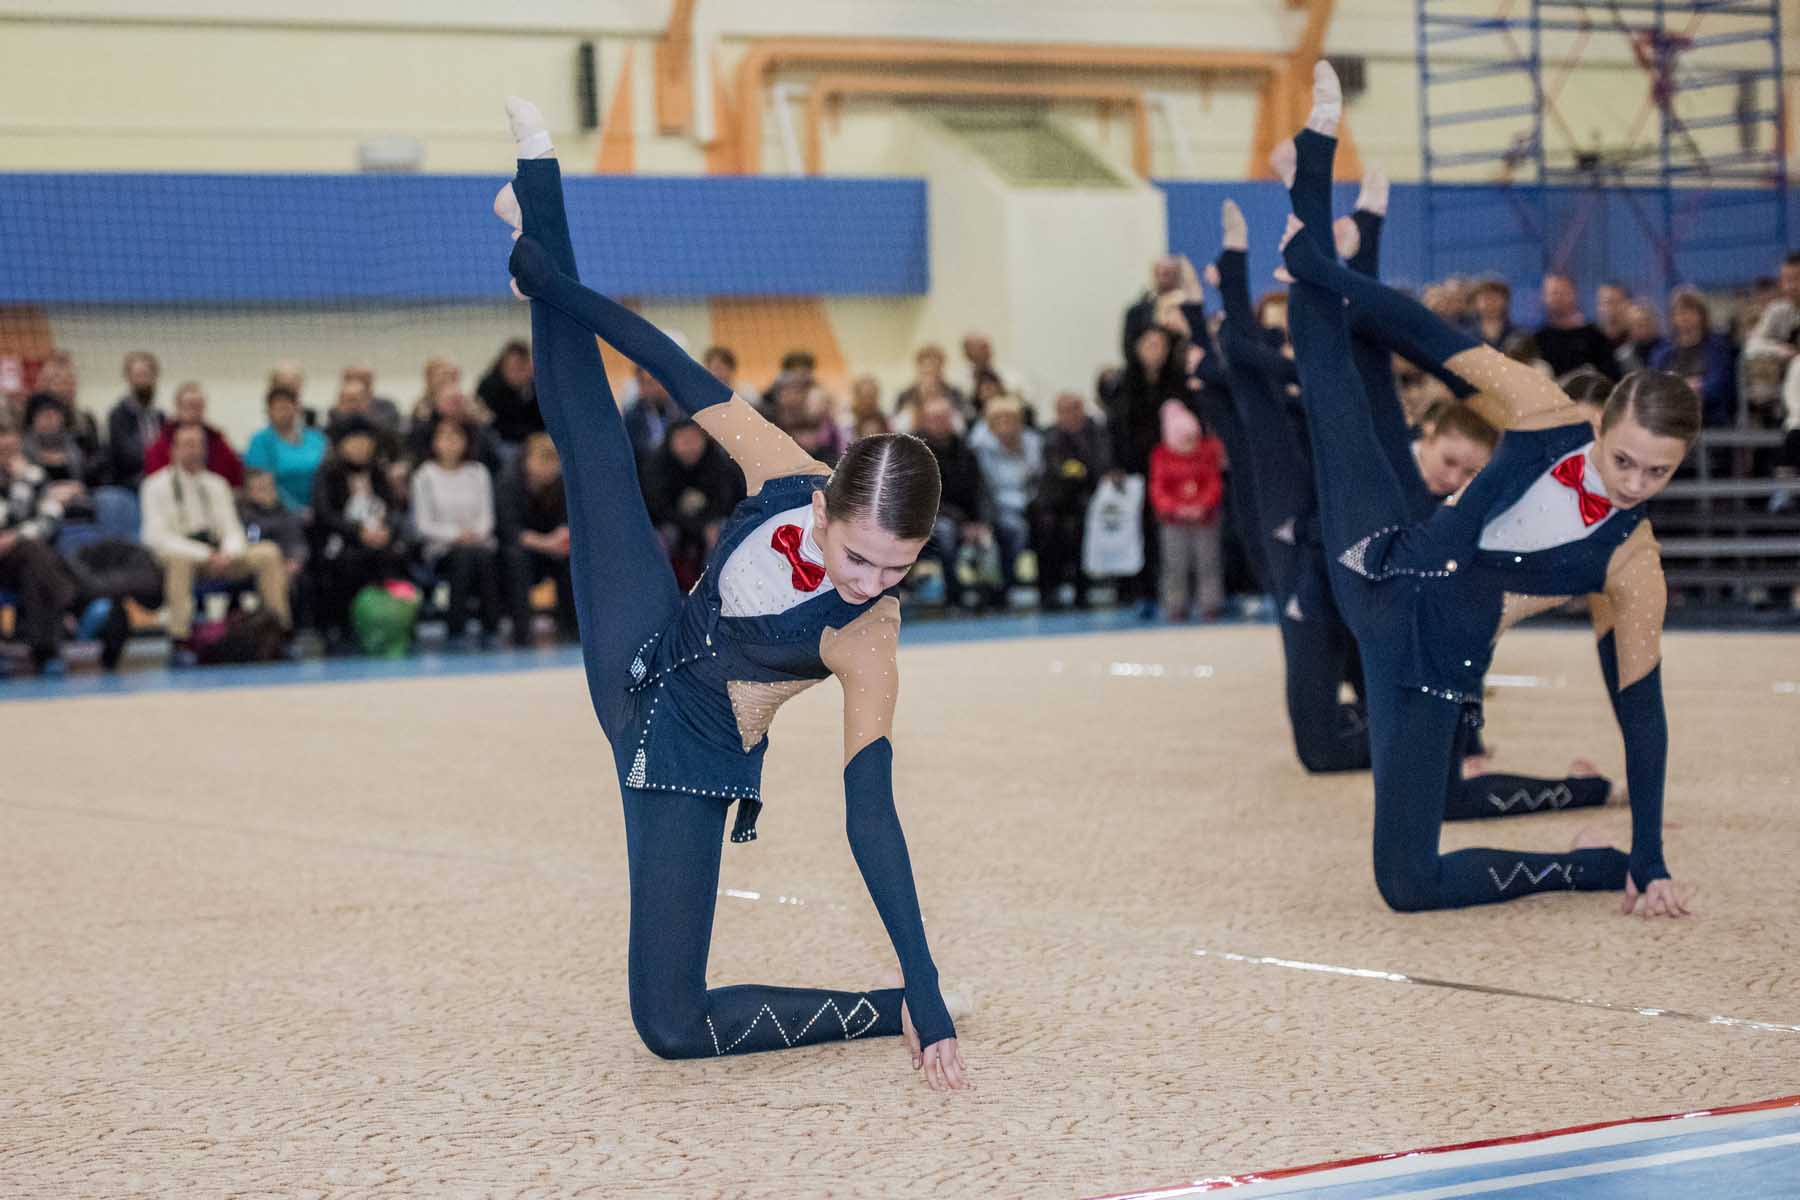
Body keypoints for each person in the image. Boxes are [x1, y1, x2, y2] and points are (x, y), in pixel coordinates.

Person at [496, 98, 966, 1082]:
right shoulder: (786, 468)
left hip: (691, 757)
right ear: (829, 504)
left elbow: (870, 814)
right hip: (642, 648)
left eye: (897, 567)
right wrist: (555, 286)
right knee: (593, 453)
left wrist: (919, 988)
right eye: (859, 554)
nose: (872, 582)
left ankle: (879, 1013)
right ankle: (541, 184)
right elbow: (664, 363)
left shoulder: (865, 639)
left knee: (669, 1025)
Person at [1272, 63, 1695, 914]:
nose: (1635, 484)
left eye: (1659, 473)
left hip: (1432, 664)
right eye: (1626, 462)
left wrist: (1648, 855)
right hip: (1378, 561)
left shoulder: (1633, 563)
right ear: (1600, 424)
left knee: (1408, 884)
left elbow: (1641, 717)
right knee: (1331, 380)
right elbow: (1419, 331)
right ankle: (1315, 163)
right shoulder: (1543, 412)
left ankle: (1596, 864)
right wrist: (1322, 271)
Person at [140, 423, 291, 658]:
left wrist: (228, 553)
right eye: (188, 445)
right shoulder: (155, 486)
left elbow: (232, 529)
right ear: (174, 450)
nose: (194, 451)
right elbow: (156, 537)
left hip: (223, 557)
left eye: (199, 445)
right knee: (178, 560)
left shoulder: (217, 484)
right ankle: (180, 639)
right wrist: (205, 554)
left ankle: (278, 633)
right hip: (186, 557)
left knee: (268, 552)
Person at [310, 415, 410, 648]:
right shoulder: (328, 473)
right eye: (354, 442)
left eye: (365, 442)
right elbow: (325, 514)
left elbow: (394, 509)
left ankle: (393, 623)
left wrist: (387, 530)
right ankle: (345, 626)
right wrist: (358, 532)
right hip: (344, 540)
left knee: (395, 557)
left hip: (379, 538)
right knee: (349, 563)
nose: (360, 447)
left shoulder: (378, 473)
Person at [410, 418, 502, 645]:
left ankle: (492, 627)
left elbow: (487, 518)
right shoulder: (424, 475)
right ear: (434, 442)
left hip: (478, 542)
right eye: (443, 437)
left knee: (482, 558)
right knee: (463, 558)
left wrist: (474, 535)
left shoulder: (478, 472)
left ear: (465, 441)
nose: (450, 442)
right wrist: (456, 535)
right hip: (440, 549)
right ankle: (456, 629)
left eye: (455, 436)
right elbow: (423, 524)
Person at [0, 414, 79, 674]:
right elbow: (6, 516)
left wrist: (17, 536)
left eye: (12, 449)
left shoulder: (34, 475)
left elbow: (50, 517)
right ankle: (70, 604)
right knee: (37, 555)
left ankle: (43, 649)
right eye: (2, 450)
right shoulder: (26, 479)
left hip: (22, 556)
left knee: (34, 560)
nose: (7, 455)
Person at [642, 419, 743, 591]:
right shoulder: (657, 466)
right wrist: (696, 526)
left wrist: (708, 525)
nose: (690, 447)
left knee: (722, 535)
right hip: (671, 525)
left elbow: (725, 500)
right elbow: (658, 507)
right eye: (684, 441)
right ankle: (662, 589)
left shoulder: (718, 463)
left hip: (709, 523)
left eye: (695, 440)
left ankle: (715, 589)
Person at [497, 432, 578, 645]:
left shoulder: (562, 484)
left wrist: (563, 534)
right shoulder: (508, 483)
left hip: (552, 550)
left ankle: (573, 628)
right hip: (519, 551)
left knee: (573, 558)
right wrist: (548, 543)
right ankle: (522, 631)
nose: (549, 467)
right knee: (516, 558)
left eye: (553, 461)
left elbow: (570, 521)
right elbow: (510, 531)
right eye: (543, 460)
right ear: (527, 460)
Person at [1148, 400, 1224, 621]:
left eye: (1193, 439)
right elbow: (1158, 487)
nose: (1190, 445)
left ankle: (1210, 603)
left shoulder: (1206, 451)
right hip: (1173, 521)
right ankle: (1175, 605)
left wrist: (1202, 505)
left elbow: (1213, 482)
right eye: (1185, 441)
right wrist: (1175, 508)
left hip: (1204, 518)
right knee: (1174, 566)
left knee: (1208, 563)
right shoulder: (1161, 455)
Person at [1034, 392, 1110, 610]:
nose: (1070, 415)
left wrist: (1080, 474)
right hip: (1055, 501)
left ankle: (1082, 592)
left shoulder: (1097, 433)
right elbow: (1055, 471)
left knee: (1080, 528)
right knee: (1047, 528)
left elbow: (1097, 466)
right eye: (1064, 411)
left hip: (1088, 498)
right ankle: (1049, 592)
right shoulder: (1050, 436)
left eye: (1075, 409)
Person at [967, 394, 1041, 608]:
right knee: (1013, 530)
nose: (1005, 424)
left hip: (1030, 502)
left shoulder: (1032, 442)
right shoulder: (979, 446)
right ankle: (1003, 586)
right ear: (989, 423)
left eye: (1010, 418)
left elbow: (1039, 476)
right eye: (999, 419)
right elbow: (980, 487)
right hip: (995, 506)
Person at [1650, 288, 1738, 429]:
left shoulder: (1718, 348)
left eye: (1690, 311)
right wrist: (1690, 386)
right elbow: (1655, 388)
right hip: (1670, 422)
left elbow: (1716, 387)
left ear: (1702, 315)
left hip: (1710, 421)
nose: (1684, 317)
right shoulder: (1662, 353)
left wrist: (1677, 387)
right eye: (1679, 313)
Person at [244, 384, 330, 512]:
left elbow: (328, 474)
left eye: (287, 407)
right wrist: (296, 510)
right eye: (277, 408)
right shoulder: (260, 441)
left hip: (320, 508)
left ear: (297, 409)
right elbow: (263, 485)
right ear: (268, 411)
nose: (283, 413)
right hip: (279, 512)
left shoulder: (316, 438)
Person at [143, 382, 245, 488]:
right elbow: (155, 479)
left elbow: (234, 476)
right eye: (190, 406)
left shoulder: (216, 439)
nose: (194, 412)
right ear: (178, 407)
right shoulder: (164, 441)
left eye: (198, 406)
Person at [1535, 273, 1621, 380]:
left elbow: (1610, 378)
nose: (1556, 298)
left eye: (1561, 293)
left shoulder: (1595, 337)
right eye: (1552, 293)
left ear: (1573, 294)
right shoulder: (1538, 339)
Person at [105, 351, 164, 489]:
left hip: (160, 476)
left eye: (147, 375)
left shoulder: (161, 416)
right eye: (139, 375)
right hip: (132, 481)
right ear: (128, 378)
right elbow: (127, 456)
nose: (143, 380)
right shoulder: (118, 415)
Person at [478, 339, 543, 445]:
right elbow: (491, 422)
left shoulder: (535, 388)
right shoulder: (489, 387)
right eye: (511, 368)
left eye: (520, 368)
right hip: (500, 441)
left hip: (532, 439)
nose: (516, 373)